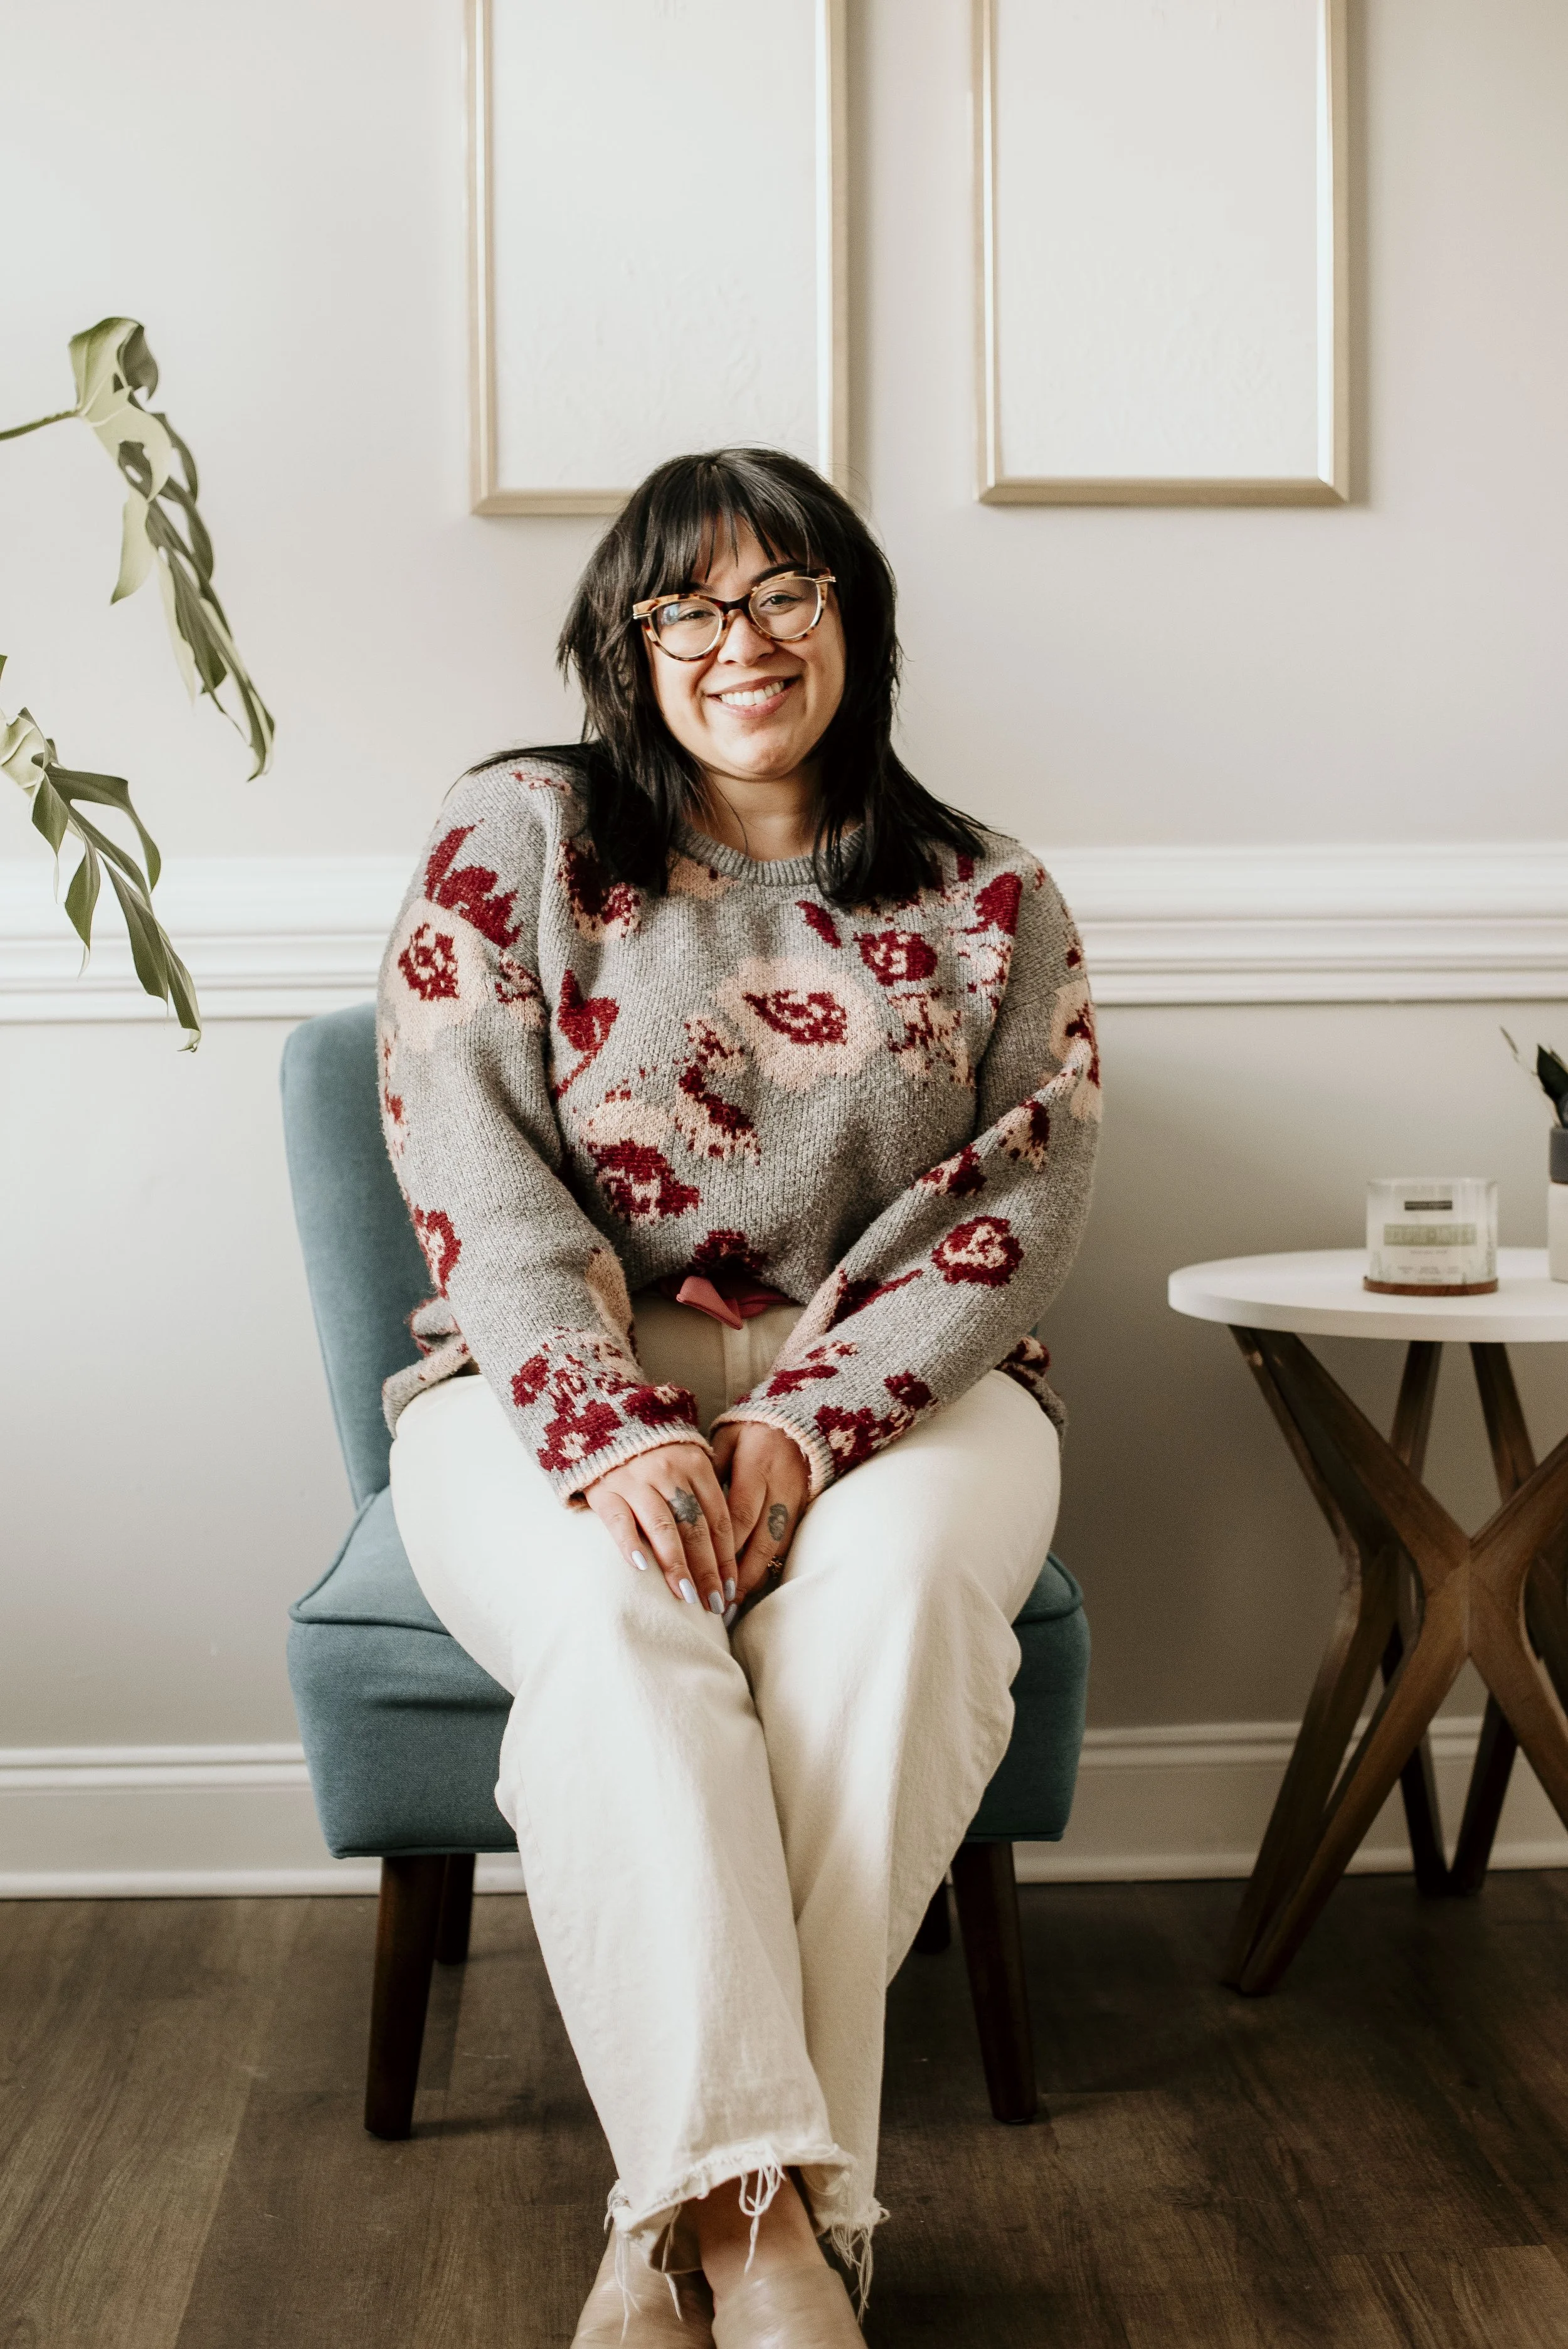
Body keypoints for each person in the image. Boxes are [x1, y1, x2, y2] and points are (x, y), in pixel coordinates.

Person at [379, 447, 1099, 2348]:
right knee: (620, 1628)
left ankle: (675, 2220)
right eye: (685, 605)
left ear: (854, 617)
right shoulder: (516, 835)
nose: (740, 639)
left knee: (896, 1618)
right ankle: (772, 2238)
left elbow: (1019, 1201)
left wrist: (802, 1422)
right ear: (626, 647)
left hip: (900, 1386)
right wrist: (608, 1422)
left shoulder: (991, 894)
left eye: (786, 591)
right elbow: (461, 1152)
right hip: (546, 1380)